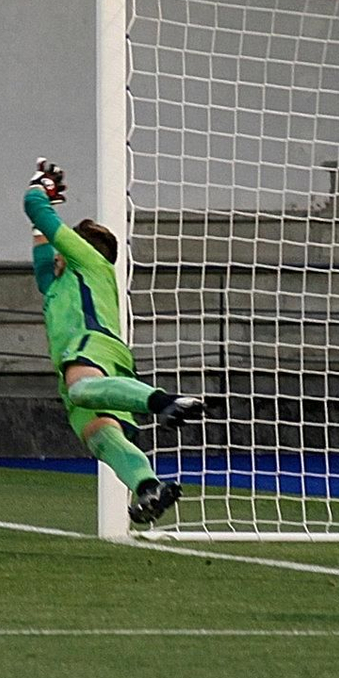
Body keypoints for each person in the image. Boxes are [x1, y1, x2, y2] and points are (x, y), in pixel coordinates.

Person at [23, 157, 204, 524]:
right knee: (105, 440)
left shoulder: (88, 261)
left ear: (73, 249)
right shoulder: (57, 282)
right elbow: (41, 255)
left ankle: (163, 400)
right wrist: (50, 203)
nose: (56, 252)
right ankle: (148, 486)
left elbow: (33, 205)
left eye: (62, 247)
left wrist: (39, 187)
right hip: (100, 360)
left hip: (92, 344)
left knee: (82, 391)